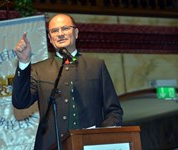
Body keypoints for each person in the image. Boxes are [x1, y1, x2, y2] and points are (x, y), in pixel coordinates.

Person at [12, 13, 123, 150]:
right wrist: (24, 63)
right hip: (51, 146)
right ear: (50, 38)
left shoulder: (96, 66)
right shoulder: (38, 70)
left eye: (65, 28)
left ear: (75, 33)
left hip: (89, 145)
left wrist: (101, 139)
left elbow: (114, 111)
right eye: (54, 31)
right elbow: (20, 102)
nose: (60, 34)